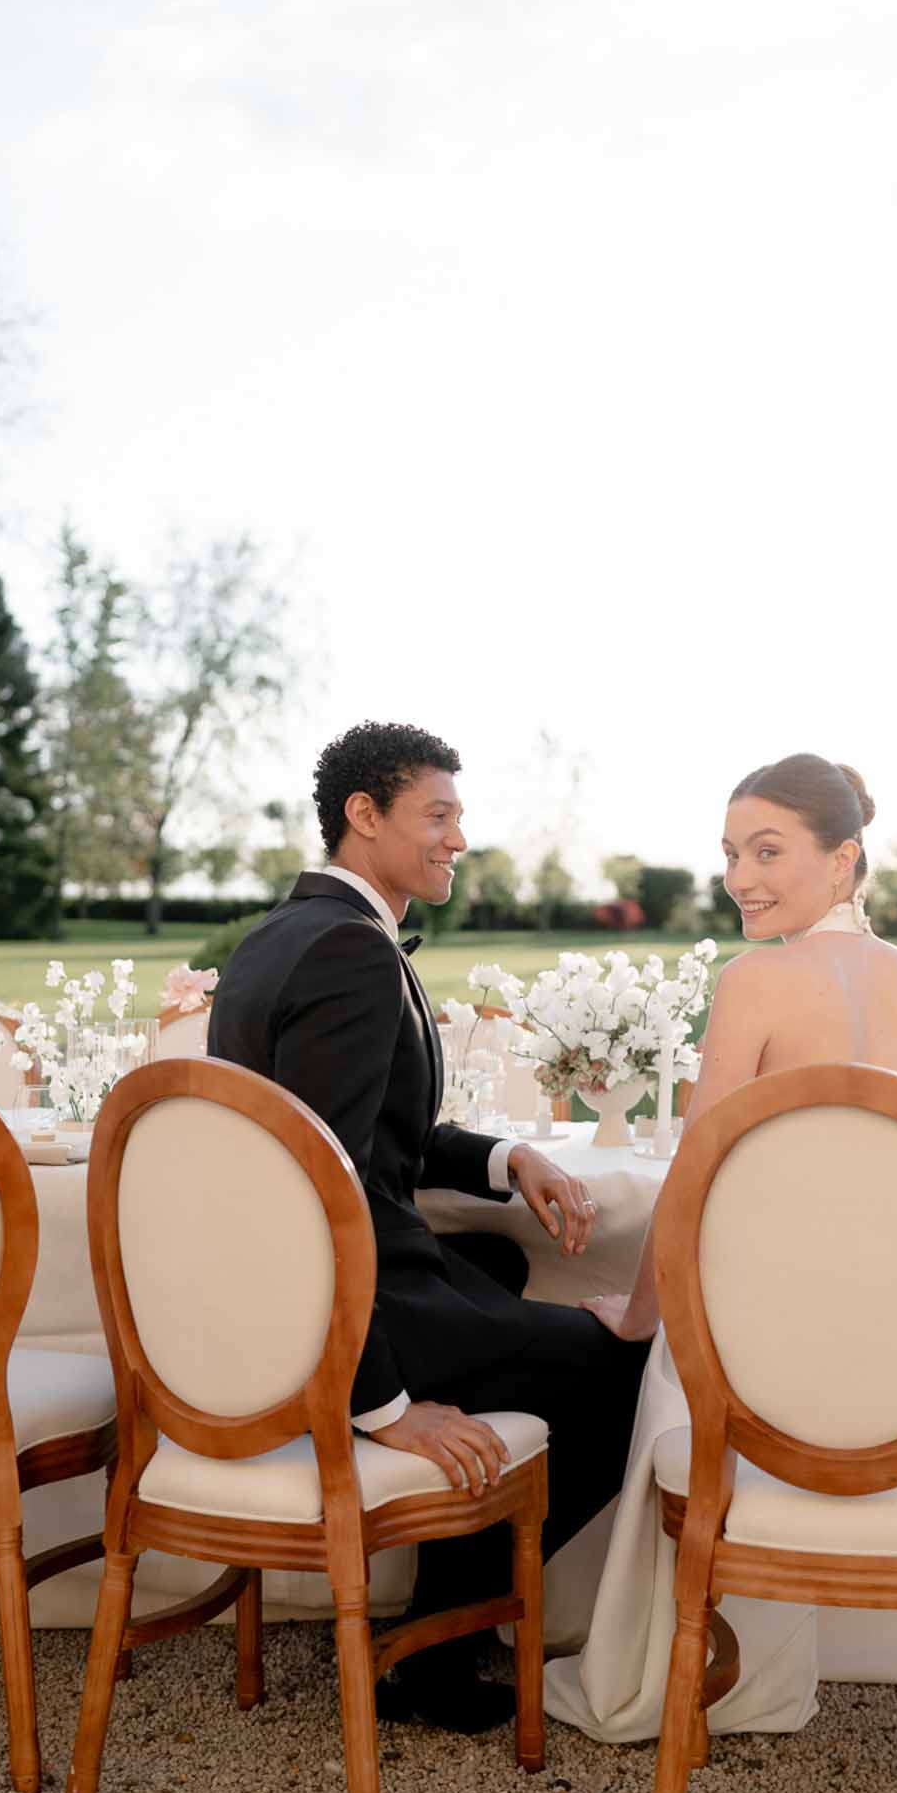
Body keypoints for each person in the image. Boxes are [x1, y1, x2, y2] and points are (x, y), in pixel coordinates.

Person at [208, 720, 649, 1732]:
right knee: (630, 1355)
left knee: (495, 1251)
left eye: (459, 814)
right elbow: (330, 1193)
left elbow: (365, 1134)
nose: (458, 835)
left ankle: (442, 1612)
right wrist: (382, 1402)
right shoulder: (351, 958)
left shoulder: (288, 936)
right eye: (436, 814)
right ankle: (436, 1650)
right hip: (335, 1313)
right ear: (364, 816)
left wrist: (508, 1158)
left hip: (299, 1280)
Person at [545, 752, 897, 1743]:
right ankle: (762, 1680)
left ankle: (665, 1670)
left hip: (759, 1348)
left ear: (844, 854)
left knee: (677, 1337)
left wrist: (640, 1313)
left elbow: (694, 1175)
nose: (740, 876)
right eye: (732, 851)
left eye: (767, 850)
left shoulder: (759, 980)